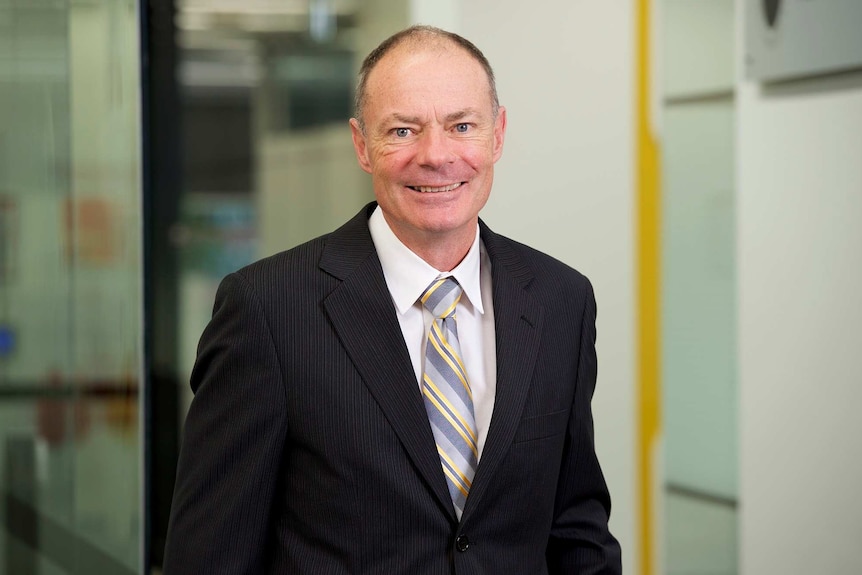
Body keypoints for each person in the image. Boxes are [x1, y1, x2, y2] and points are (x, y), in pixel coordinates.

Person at [163, 25, 621, 574]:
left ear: (497, 134)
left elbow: (577, 528)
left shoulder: (560, 300)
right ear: (362, 144)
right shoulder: (266, 310)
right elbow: (210, 557)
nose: (436, 155)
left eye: (462, 126)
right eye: (403, 130)